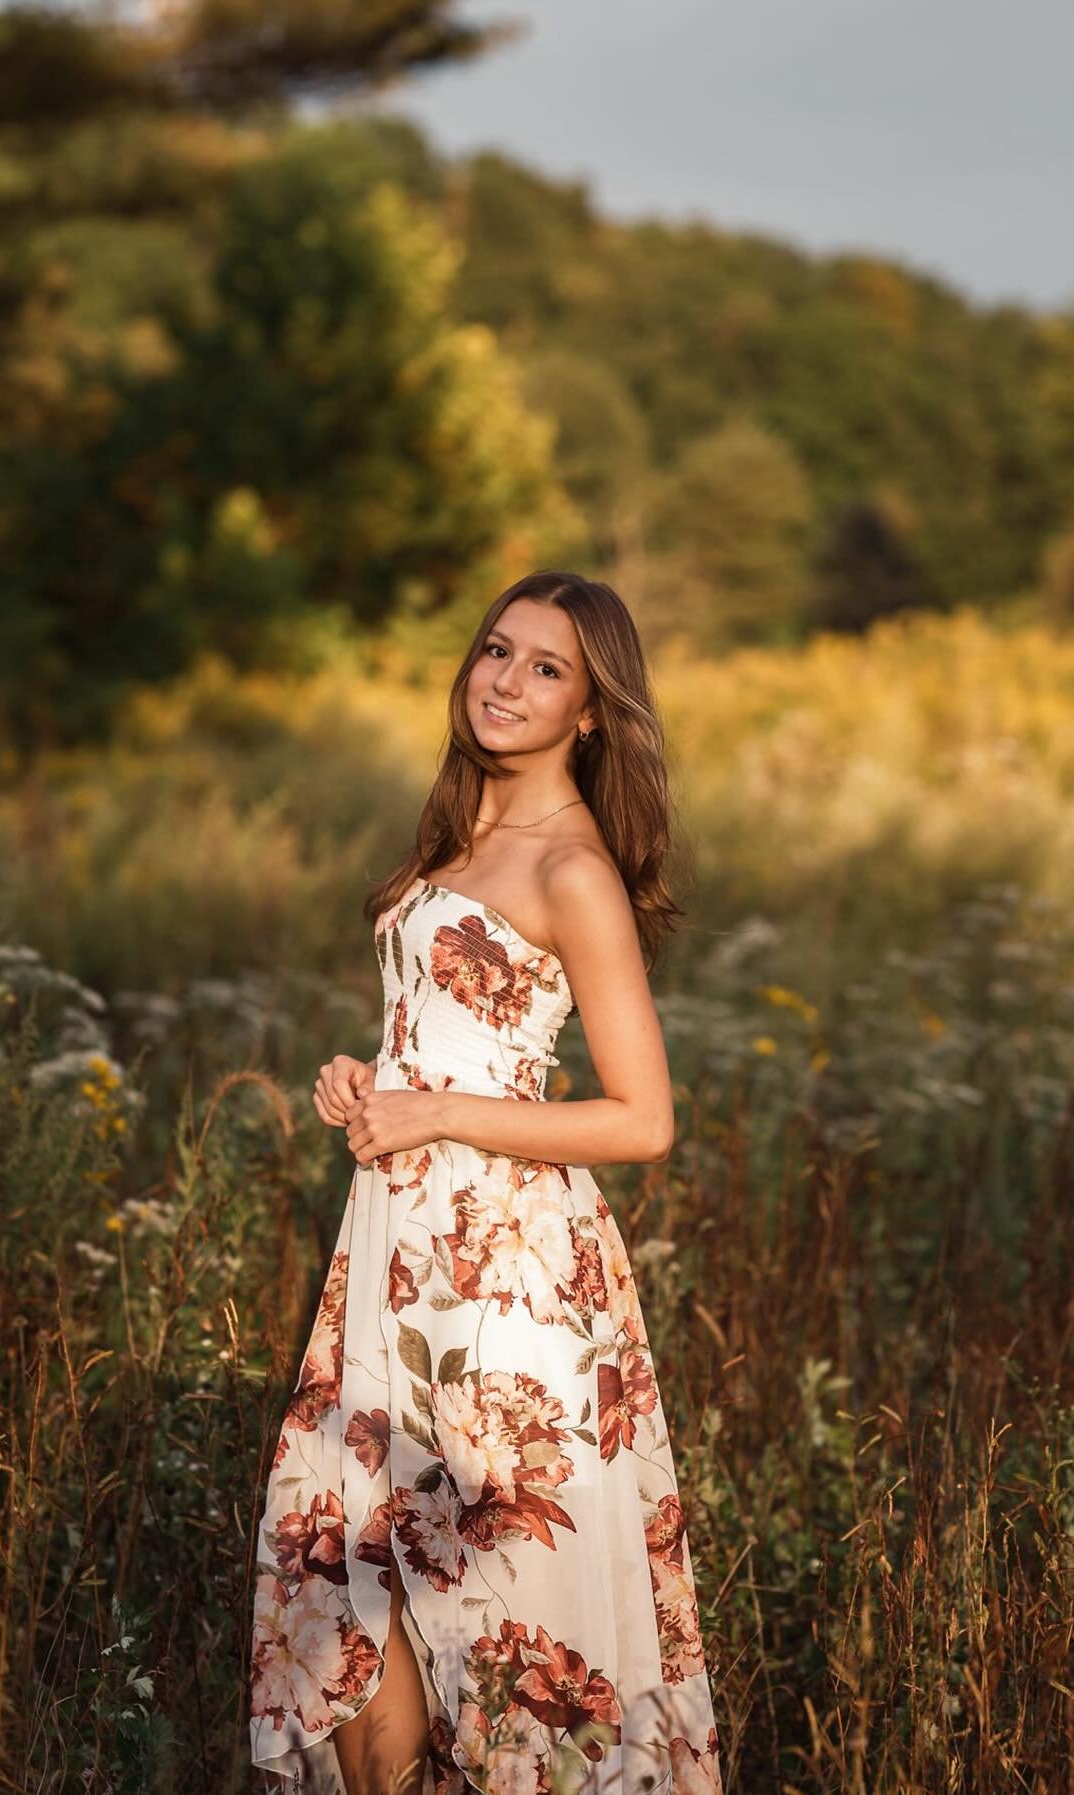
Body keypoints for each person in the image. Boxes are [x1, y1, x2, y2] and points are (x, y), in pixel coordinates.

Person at [249, 570, 723, 1795]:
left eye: (546, 668)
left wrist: (439, 1110)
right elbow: (455, 1039)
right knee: (348, 1580)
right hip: (391, 1252)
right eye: (497, 651)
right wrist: (377, 1083)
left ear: (592, 711)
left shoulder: (574, 868)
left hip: (505, 1282)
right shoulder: (458, 831)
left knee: (501, 1616)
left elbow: (645, 1118)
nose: (506, 682)